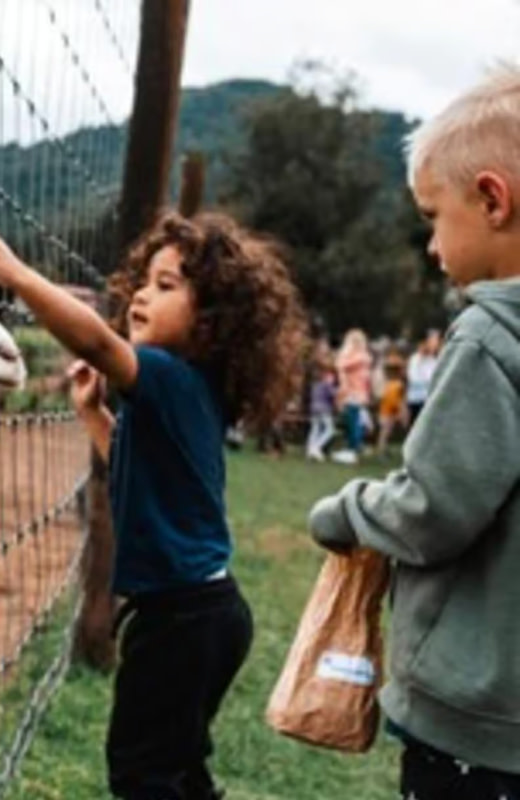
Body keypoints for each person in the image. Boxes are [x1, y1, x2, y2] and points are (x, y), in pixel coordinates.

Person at [0, 212, 307, 800]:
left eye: (167, 286)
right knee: (178, 765)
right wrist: (95, 415)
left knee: (143, 773)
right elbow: (141, 467)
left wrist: (14, 274)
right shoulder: (192, 391)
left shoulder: (169, 375)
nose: (142, 293)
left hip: (180, 620)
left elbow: (93, 340)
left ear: (212, 323)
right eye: (144, 280)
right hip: (207, 614)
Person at [307, 63, 520, 800]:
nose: (432, 246)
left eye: (433, 216)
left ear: (492, 199)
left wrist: (346, 511)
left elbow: (433, 510)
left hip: (479, 724)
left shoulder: (489, 337)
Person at [332, 329, 373, 464]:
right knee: (353, 420)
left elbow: (340, 365)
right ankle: (354, 447)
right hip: (356, 393)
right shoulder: (363, 357)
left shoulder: (360, 357)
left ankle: (352, 450)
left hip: (354, 393)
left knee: (353, 421)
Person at [405, 329, 442, 425]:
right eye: (433, 341)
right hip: (418, 399)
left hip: (431, 398)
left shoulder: (434, 359)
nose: (436, 344)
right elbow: (413, 378)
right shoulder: (416, 359)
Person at [376, 353, 408, 458]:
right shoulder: (397, 384)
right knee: (385, 432)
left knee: (386, 432)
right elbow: (398, 401)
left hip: (387, 411)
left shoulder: (389, 384)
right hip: (389, 411)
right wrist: (401, 412)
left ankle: (383, 450)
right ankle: (382, 451)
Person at [306, 365, 338, 461]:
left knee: (314, 429)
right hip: (324, 409)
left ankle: (310, 449)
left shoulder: (315, 385)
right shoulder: (327, 385)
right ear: (326, 377)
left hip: (313, 408)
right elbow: (333, 394)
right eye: (331, 377)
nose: (333, 379)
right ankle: (316, 447)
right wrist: (340, 391)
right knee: (330, 430)